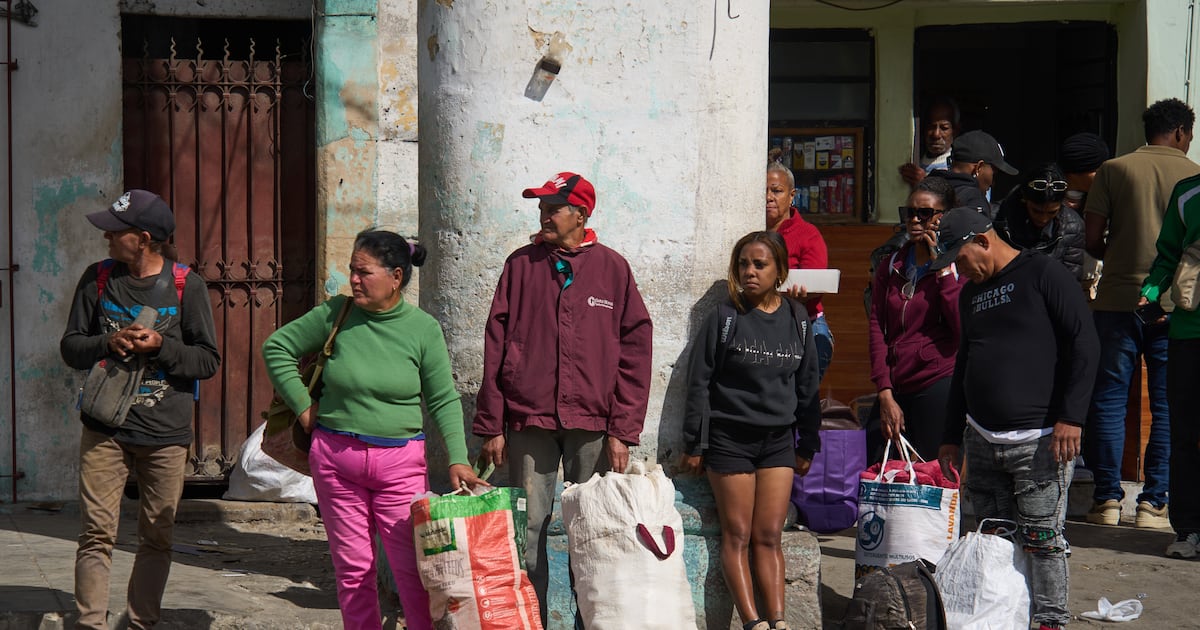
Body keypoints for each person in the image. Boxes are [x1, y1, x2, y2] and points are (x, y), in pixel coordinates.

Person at [262, 230, 487, 630]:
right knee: (354, 572)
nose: (354, 280)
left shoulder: (422, 329)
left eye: (363, 272)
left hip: (399, 465)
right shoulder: (337, 314)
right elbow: (276, 347)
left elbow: (442, 398)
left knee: (413, 573)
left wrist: (457, 458)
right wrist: (303, 408)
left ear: (396, 276)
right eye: (352, 270)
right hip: (335, 461)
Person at [474, 171, 653, 624]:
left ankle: (587, 620)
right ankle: (531, 619)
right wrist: (491, 424)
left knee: (591, 532)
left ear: (582, 213)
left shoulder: (613, 269)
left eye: (553, 208)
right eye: (542, 208)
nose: (544, 215)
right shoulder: (521, 265)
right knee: (527, 531)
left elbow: (635, 351)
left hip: (592, 425)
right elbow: (495, 346)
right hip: (529, 421)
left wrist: (622, 430)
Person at [60, 190, 221, 630]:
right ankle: (89, 623)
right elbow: (71, 347)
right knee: (95, 534)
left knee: (156, 536)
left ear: (143, 238)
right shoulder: (97, 279)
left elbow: (207, 360)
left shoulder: (188, 285)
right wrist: (107, 342)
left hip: (165, 436)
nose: (106, 238)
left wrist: (162, 347)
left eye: (115, 231)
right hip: (104, 428)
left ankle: (140, 622)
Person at [933, 208, 1099, 630]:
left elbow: (1085, 344)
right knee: (994, 536)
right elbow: (964, 363)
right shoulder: (971, 294)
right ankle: (1005, 617)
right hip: (982, 438)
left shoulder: (1045, 274)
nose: (959, 271)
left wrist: (1072, 417)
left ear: (983, 241)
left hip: (1041, 438)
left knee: (1042, 539)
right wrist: (951, 434)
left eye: (960, 259)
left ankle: (1049, 621)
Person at [680, 231, 821, 630]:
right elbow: (699, 382)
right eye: (743, 264)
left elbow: (808, 385)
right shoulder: (725, 318)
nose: (749, 272)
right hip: (730, 441)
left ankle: (778, 621)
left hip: (778, 441)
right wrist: (694, 442)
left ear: (780, 270)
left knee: (769, 534)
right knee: (737, 534)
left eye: (759, 264)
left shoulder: (798, 318)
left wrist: (808, 442)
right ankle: (752, 622)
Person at [1083, 97, 1200, 528]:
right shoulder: (1194, 176)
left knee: (1110, 398)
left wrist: (1118, 255)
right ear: (1182, 133)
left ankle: (1108, 501)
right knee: (1168, 405)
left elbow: (1091, 238)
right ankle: (1153, 504)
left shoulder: (1114, 169)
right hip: (1175, 306)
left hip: (1117, 300)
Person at [866, 177, 967, 461]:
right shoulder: (892, 263)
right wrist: (884, 391)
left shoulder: (961, 264)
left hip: (936, 380)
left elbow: (961, 328)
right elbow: (877, 327)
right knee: (878, 466)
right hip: (895, 383)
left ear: (944, 217)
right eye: (908, 212)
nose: (914, 219)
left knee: (933, 473)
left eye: (924, 213)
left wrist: (942, 270)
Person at [1139, 171, 1200, 558]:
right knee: (1185, 434)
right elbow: (1168, 254)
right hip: (1189, 333)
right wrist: (1150, 290)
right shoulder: (1187, 193)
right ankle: (1189, 529)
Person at [766, 162, 834, 379]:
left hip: (806, 324)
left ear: (792, 195)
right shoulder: (750, 231)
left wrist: (794, 296)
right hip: (761, 325)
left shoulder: (808, 234)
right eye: (763, 191)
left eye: (776, 191)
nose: (768, 197)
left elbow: (816, 284)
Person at [995, 162, 1086, 280]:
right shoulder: (997, 219)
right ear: (1024, 198)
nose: (1043, 219)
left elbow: (1070, 280)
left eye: (1052, 212)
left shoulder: (1074, 227)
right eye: (1036, 211)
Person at [1059, 132, 1111, 300]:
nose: (1104, 177)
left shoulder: (1103, 201)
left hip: (1094, 294)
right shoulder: (1046, 202)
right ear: (1077, 171)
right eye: (1098, 171)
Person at [926, 130, 1018, 218]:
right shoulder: (974, 200)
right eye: (994, 174)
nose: (993, 183)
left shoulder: (925, 189)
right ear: (978, 168)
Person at [899, 97, 960, 188]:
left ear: (955, 131)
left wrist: (925, 184)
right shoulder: (915, 159)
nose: (936, 134)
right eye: (931, 127)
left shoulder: (958, 166)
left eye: (944, 128)